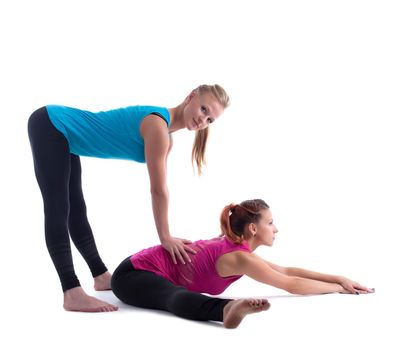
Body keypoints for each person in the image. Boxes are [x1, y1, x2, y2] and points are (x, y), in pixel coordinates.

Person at [27, 84, 230, 312]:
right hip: (52, 124)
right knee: (58, 207)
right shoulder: (157, 126)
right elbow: (158, 190)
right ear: (190, 97)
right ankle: (71, 291)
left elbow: (160, 188)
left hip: (66, 135)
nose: (203, 120)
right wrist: (165, 237)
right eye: (204, 109)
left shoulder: (165, 136)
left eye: (210, 120)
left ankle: (101, 276)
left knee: (76, 209)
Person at [111, 199, 374, 328]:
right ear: (252, 228)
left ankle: (225, 309)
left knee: (174, 292)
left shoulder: (237, 248)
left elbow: (286, 271)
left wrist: (339, 279)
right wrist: (338, 290)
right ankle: (224, 311)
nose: (276, 229)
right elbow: (292, 284)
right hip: (133, 275)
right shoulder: (239, 256)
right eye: (270, 223)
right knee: (173, 296)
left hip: (142, 272)